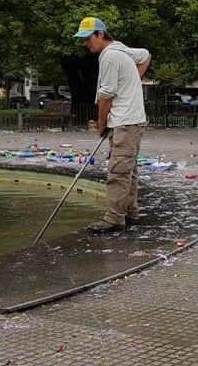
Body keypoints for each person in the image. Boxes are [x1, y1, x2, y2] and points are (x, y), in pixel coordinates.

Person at [74, 17, 152, 234]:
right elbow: (146, 55)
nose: (85, 43)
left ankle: (114, 218)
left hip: (124, 121)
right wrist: (132, 81)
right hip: (132, 120)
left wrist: (101, 124)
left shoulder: (109, 56)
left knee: (118, 170)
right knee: (129, 169)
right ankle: (130, 212)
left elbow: (106, 96)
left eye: (87, 38)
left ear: (100, 34)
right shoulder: (122, 50)